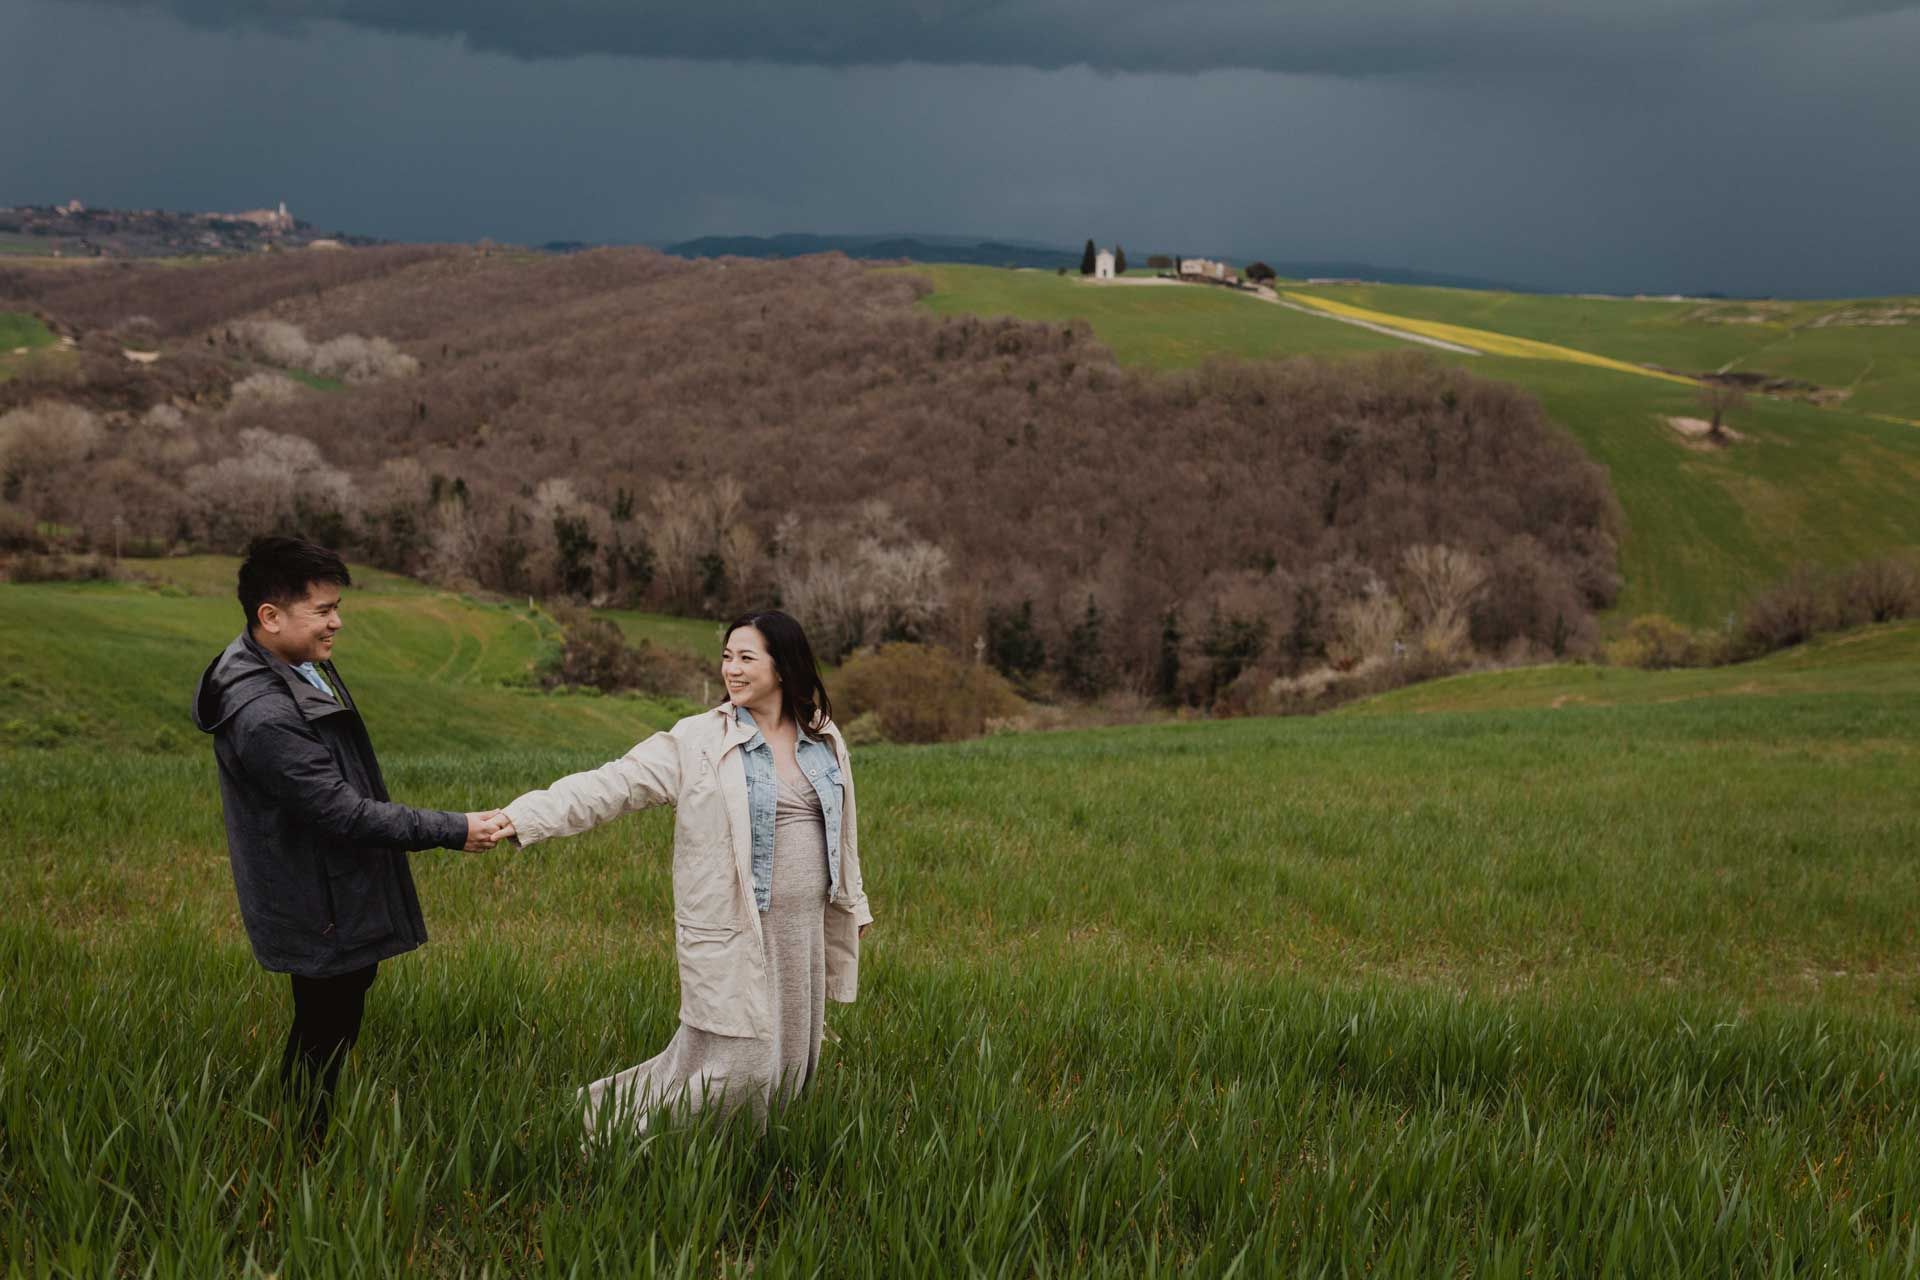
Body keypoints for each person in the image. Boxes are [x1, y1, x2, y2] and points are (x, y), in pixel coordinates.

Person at [495, 609, 873, 1137]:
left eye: (746, 658)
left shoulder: (823, 737)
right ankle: (615, 1137)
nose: (731, 670)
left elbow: (843, 831)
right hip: (738, 926)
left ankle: (755, 1147)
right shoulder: (698, 740)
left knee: (788, 1056)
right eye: (726, 657)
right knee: (740, 1065)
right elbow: (614, 784)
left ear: (783, 666)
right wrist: (524, 817)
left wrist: (853, 904)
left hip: (803, 927)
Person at [192, 536, 510, 1143]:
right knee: (324, 1024)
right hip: (315, 897)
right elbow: (340, 812)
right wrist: (455, 829)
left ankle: (305, 1128)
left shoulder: (293, 662)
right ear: (270, 615)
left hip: (333, 882)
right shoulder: (264, 714)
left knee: (333, 1012)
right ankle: (304, 1146)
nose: (337, 622)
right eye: (323, 610)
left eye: (337, 607)